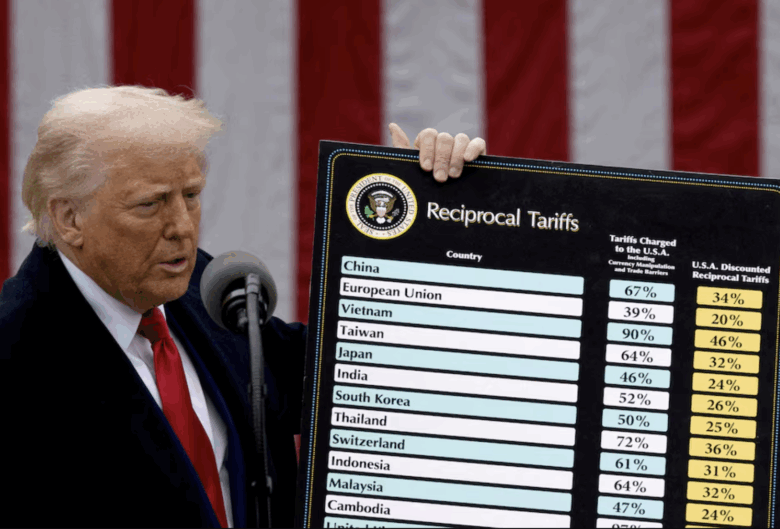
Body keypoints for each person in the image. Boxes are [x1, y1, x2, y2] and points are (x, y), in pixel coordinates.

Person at [0, 86, 486, 528]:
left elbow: (359, 377)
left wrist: (426, 221)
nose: (182, 227)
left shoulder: (209, 294)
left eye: (191, 196)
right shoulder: (17, 349)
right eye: (150, 204)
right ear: (69, 218)